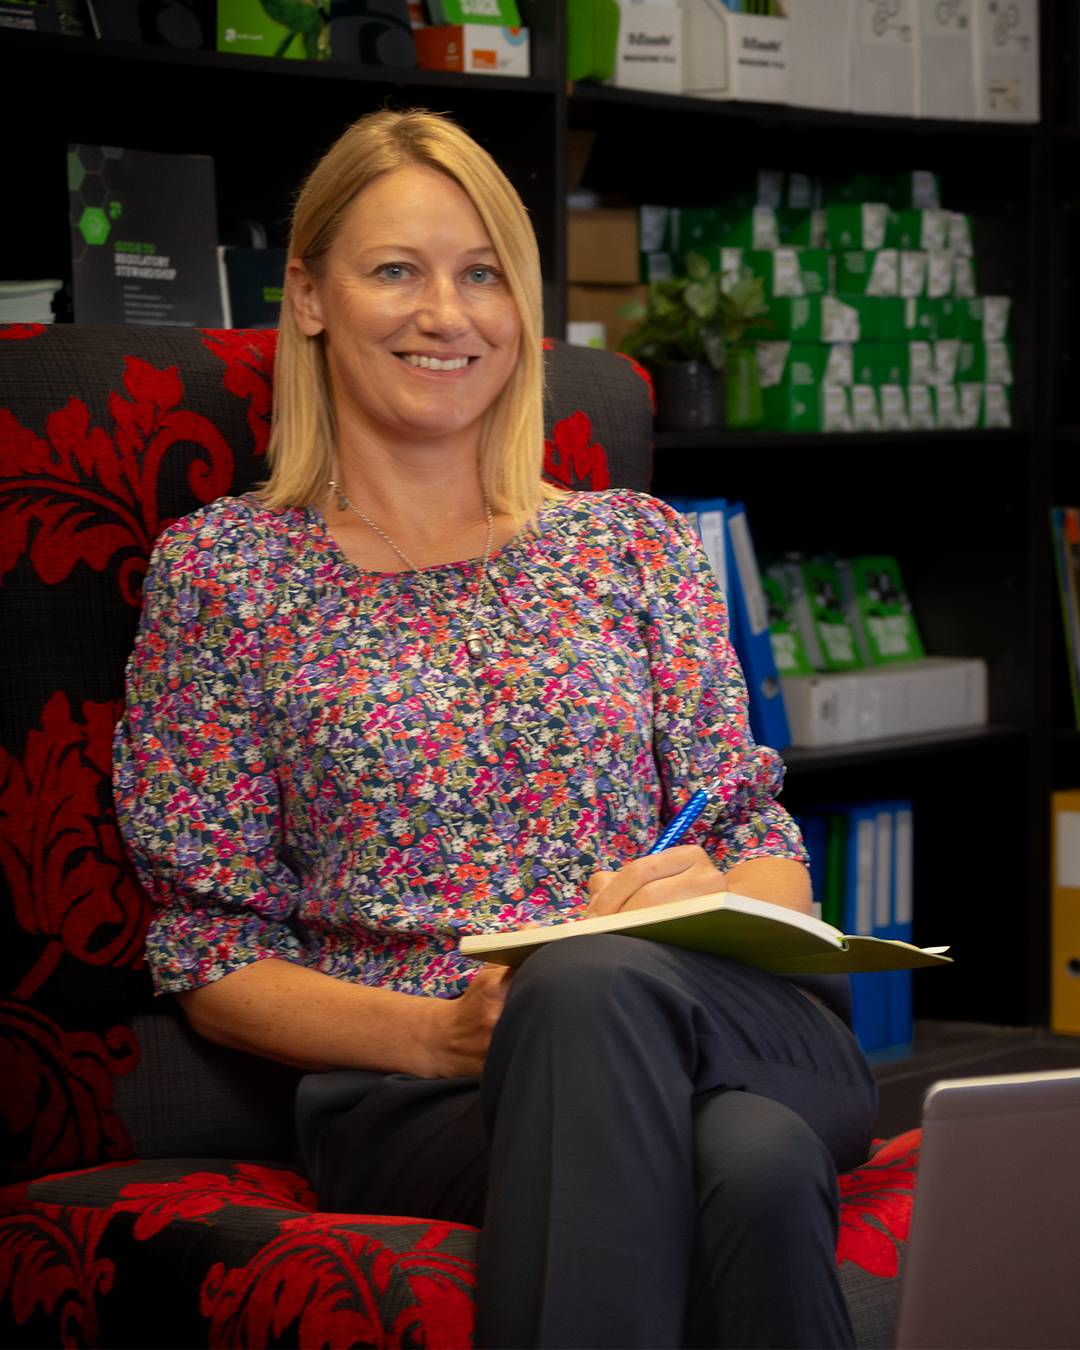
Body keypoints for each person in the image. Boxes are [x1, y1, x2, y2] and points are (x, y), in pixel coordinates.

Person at [113, 108, 878, 1350]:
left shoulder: (629, 545)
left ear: (521, 310)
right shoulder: (225, 573)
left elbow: (756, 833)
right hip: (422, 1092)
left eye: (482, 276)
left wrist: (715, 890)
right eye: (397, 270)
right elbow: (209, 950)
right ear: (307, 295)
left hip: (720, 1017)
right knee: (757, 1165)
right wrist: (441, 1032)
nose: (446, 313)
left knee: (599, 978)